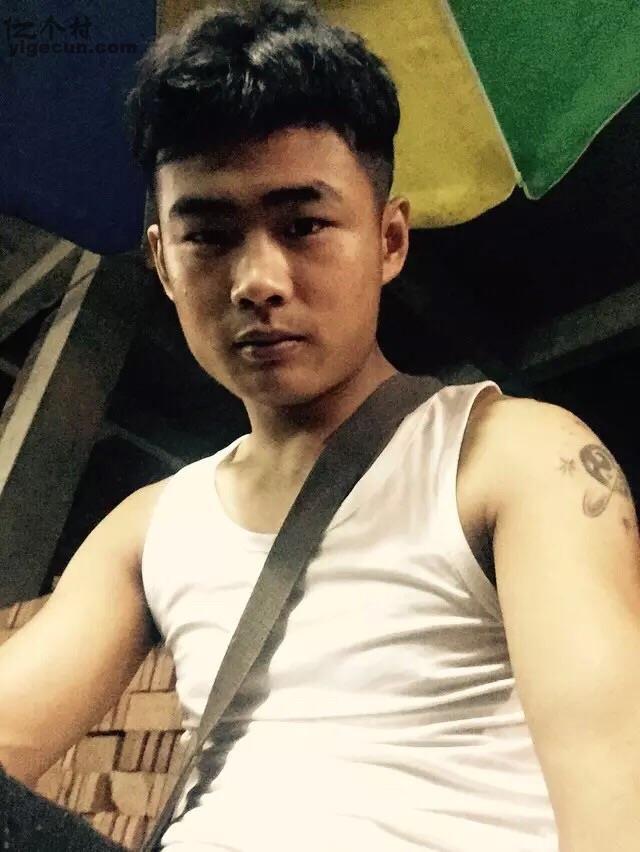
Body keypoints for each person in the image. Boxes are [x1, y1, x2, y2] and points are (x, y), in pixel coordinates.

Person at [1, 2, 640, 850]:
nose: (257, 280)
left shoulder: (513, 457)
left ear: (389, 240)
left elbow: (613, 792)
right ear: (162, 261)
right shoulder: (149, 526)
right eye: (210, 236)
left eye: (303, 225)